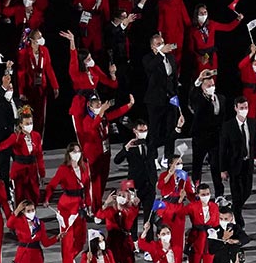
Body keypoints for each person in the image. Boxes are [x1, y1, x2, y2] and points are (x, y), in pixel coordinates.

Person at [43, 143, 92, 263]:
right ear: (69, 153)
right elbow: (52, 185)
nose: (77, 154)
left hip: (79, 205)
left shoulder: (84, 167)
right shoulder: (63, 169)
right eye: (74, 151)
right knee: (67, 240)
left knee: (81, 239)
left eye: (79, 151)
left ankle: (70, 258)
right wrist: (47, 198)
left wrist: (88, 204)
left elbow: (87, 187)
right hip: (66, 206)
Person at [77, 92, 134, 209]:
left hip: (105, 154)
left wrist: (130, 105)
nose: (99, 105)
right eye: (95, 104)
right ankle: (92, 208)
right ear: (89, 105)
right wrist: (101, 112)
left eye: (99, 103)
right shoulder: (86, 120)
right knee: (94, 184)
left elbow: (116, 113)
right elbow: (92, 127)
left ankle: (97, 206)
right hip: (93, 156)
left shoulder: (103, 117)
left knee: (103, 181)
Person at [219, 97, 256, 227]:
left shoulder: (252, 123)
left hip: (248, 163)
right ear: (235, 108)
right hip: (234, 165)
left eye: (246, 107)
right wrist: (223, 169)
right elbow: (223, 149)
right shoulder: (228, 126)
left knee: (247, 190)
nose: (244, 110)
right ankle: (238, 220)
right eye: (241, 108)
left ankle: (234, 209)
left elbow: (255, 143)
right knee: (236, 193)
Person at [142, 34, 180, 166]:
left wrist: (175, 93)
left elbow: (173, 77)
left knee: (171, 129)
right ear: (153, 46)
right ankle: (152, 158)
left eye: (163, 42)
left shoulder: (170, 57)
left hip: (170, 98)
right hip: (155, 100)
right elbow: (150, 68)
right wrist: (161, 54)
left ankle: (168, 157)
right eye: (158, 44)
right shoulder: (148, 58)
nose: (162, 45)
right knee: (154, 130)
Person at [182, 183, 220, 263]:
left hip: (210, 245)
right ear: (198, 195)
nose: (206, 196)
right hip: (197, 241)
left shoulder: (214, 207)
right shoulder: (193, 206)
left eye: (208, 194)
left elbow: (217, 223)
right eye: (203, 194)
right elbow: (180, 212)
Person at [115, 120, 159, 229]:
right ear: (135, 130)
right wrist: (126, 148)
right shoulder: (129, 144)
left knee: (149, 218)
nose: (144, 132)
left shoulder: (151, 143)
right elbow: (117, 160)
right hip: (136, 186)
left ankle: (148, 242)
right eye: (141, 130)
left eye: (145, 130)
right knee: (133, 215)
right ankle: (134, 240)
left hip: (150, 183)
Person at [188, 71, 226, 197]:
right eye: (208, 85)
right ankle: (196, 191)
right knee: (197, 165)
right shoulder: (199, 99)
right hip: (200, 137)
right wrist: (198, 80)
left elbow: (223, 118)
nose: (211, 87)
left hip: (215, 138)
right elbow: (192, 96)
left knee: (216, 166)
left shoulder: (221, 98)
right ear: (203, 87)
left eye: (212, 85)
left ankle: (219, 194)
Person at [17, 30, 60, 143]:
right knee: (28, 116)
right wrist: (21, 92)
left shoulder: (44, 51)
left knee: (41, 118)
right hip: (29, 89)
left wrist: (55, 86)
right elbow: (21, 73)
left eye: (41, 36)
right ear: (32, 40)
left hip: (42, 88)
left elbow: (49, 69)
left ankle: (38, 142)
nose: (41, 38)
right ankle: (27, 140)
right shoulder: (24, 53)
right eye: (39, 37)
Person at [0, 114, 45, 205]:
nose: (29, 125)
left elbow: (39, 155)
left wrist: (42, 173)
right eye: (27, 123)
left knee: (35, 195)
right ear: (21, 124)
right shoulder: (16, 136)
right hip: (19, 170)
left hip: (32, 169)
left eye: (31, 123)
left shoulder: (36, 136)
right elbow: (6, 144)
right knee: (20, 196)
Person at [189, 4, 242, 74]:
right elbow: (190, 49)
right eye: (201, 13)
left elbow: (228, 27)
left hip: (212, 58)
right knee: (202, 79)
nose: (203, 15)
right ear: (196, 15)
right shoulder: (192, 30)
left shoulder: (212, 24)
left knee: (213, 79)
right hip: (202, 60)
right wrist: (199, 58)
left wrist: (238, 19)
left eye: (205, 12)